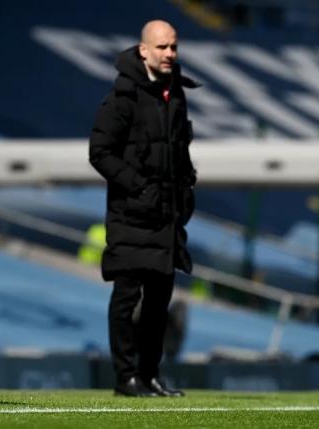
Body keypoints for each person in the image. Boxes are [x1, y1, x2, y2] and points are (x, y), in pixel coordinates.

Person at [89, 20, 199, 397]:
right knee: (126, 297)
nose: (170, 54)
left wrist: (187, 188)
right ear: (143, 51)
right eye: (163, 47)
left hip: (167, 217)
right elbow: (99, 153)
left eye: (174, 47)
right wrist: (139, 188)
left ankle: (150, 375)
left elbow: (179, 152)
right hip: (132, 216)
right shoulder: (122, 97)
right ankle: (126, 378)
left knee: (159, 302)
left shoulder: (176, 95)